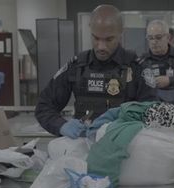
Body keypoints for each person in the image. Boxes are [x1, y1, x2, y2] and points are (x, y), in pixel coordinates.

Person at [35, 4, 157, 139]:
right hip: (81, 148)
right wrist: (61, 125)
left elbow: (152, 114)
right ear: (90, 29)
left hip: (123, 147)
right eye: (96, 38)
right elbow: (43, 107)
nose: (101, 47)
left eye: (109, 39)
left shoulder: (138, 69)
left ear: (122, 32)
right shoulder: (77, 66)